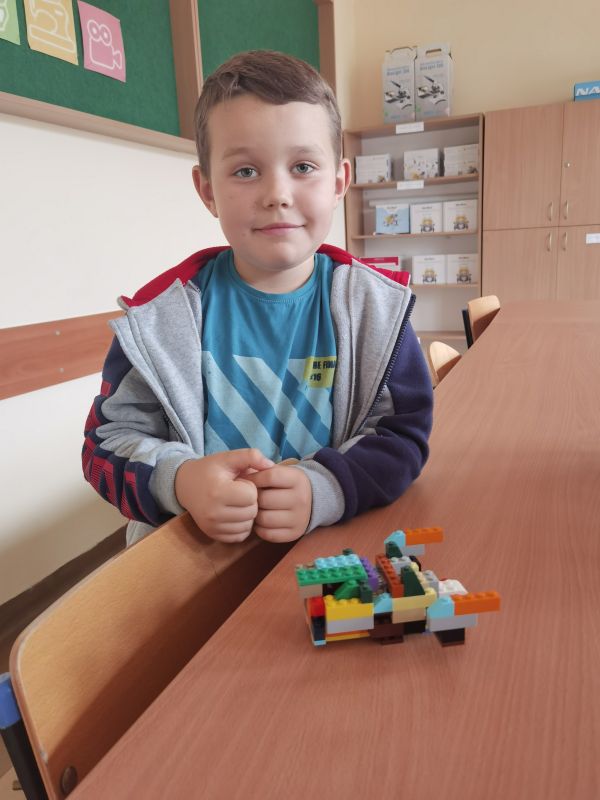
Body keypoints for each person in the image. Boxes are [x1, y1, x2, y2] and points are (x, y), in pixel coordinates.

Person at [82, 50, 433, 547]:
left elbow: (402, 436)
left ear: (339, 182)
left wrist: (326, 487)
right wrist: (181, 481)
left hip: (322, 555)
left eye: (303, 166)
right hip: (190, 566)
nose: (277, 194)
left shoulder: (377, 310)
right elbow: (104, 446)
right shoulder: (158, 318)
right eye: (246, 171)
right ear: (207, 191)